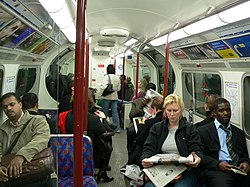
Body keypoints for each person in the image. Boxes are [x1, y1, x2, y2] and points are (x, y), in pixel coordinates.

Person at [141, 94, 203, 187]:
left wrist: (197, 158)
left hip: (185, 169)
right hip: (162, 168)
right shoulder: (157, 128)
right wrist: (145, 158)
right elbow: (148, 148)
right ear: (165, 111)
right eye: (169, 111)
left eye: (175, 110)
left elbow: (197, 148)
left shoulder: (190, 128)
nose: (172, 114)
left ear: (181, 111)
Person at [58, 90, 114, 183]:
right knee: (108, 143)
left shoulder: (63, 116)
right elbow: (108, 132)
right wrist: (104, 119)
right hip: (88, 152)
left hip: (67, 150)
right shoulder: (93, 118)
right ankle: (102, 171)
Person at [0, 92, 51, 187]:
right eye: (5, 107)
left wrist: (21, 156)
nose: (8, 108)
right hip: (12, 178)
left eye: (12, 104)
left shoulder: (38, 121)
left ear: (20, 104)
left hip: (35, 175)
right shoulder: (2, 129)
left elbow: (41, 140)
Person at [198, 98, 250, 187]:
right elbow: (200, 157)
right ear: (214, 113)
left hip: (238, 169)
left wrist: (245, 162)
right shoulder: (203, 131)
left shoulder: (239, 132)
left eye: (228, 110)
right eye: (221, 110)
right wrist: (218, 164)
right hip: (217, 170)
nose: (226, 113)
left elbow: (244, 155)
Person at [100, 64, 121, 133]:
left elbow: (103, 87)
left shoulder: (106, 77)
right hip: (115, 97)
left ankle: (104, 127)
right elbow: (119, 89)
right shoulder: (117, 78)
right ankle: (117, 128)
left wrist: (100, 93)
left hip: (107, 97)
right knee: (115, 112)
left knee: (104, 112)